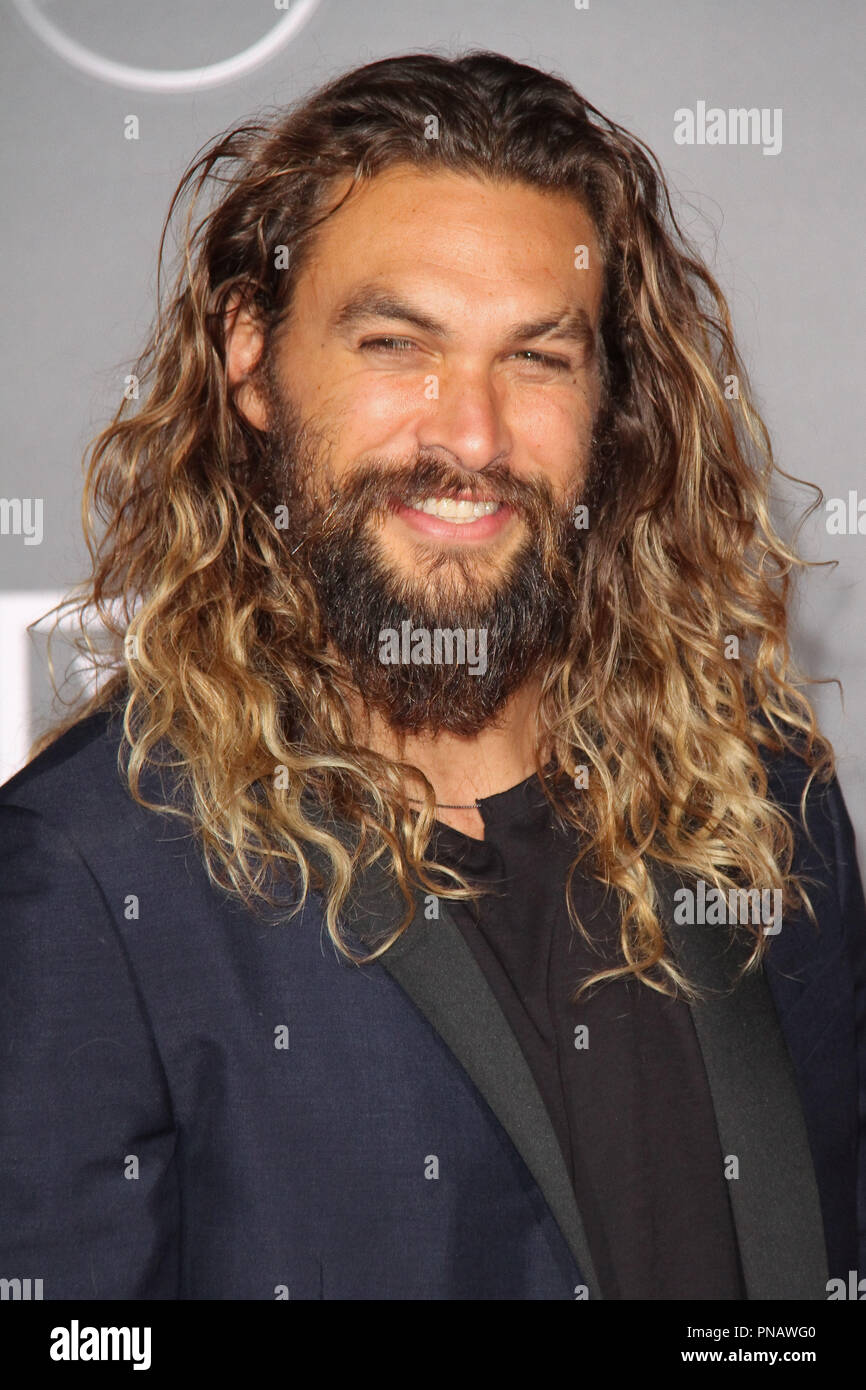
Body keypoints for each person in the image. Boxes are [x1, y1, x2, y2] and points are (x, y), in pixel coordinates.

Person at [1, 50, 863, 1302]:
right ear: (251, 358)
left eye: (537, 358)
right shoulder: (91, 875)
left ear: (609, 399)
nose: (469, 433)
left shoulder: (762, 800)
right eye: (395, 342)